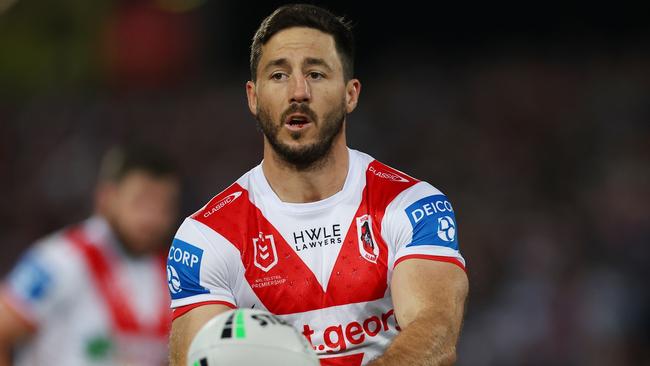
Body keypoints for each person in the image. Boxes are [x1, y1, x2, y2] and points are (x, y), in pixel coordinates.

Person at [168, 4, 468, 366]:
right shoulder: (206, 237)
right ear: (253, 96)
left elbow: (434, 333)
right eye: (278, 75)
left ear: (350, 94)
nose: (298, 92)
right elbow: (201, 358)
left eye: (316, 74)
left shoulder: (410, 205)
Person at [0, 145, 180, 366]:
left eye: (163, 206)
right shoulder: (61, 259)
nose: (151, 218)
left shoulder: (175, 271)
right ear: (107, 197)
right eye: (140, 201)